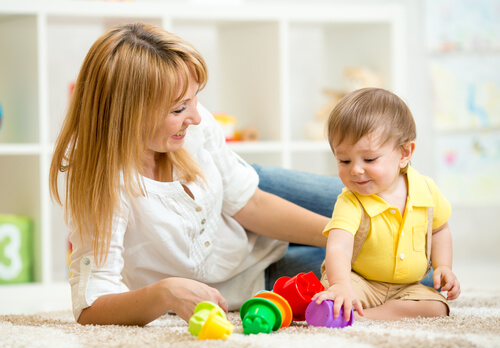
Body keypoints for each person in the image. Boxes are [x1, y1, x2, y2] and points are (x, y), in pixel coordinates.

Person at [49, 22, 344, 326]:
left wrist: (341, 235)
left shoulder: (196, 129)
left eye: (194, 99)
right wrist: (165, 293)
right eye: (178, 109)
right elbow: (90, 307)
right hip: (254, 276)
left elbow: (248, 204)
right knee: (374, 272)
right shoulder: (104, 186)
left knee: (373, 201)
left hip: (251, 196)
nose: (197, 117)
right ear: (127, 116)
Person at [313, 87, 461, 321]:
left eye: (369, 159)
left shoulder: (426, 190)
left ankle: (368, 316)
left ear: (405, 153)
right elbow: (338, 246)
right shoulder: (351, 201)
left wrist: (444, 266)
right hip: (360, 280)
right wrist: (341, 285)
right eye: (344, 160)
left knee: (437, 307)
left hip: (408, 287)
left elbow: (440, 228)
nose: (356, 169)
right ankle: (351, 308)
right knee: (334, 299)